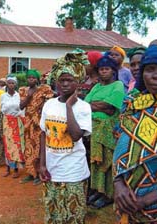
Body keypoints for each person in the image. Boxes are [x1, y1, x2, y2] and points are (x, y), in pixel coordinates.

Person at [39, 51, 92, 224]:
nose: (66, 84)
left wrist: (69, 107)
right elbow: (43, 134)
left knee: (73, 216)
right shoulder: (49, 105)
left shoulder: (83, 107)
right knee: (53, 214)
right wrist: (41, 164)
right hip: (53, 170)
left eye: (70, 80)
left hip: (74, 171)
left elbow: (76, 136)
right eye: (62, 80)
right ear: (56, 82)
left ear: (78, 82)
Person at [113, 45, 157, 223]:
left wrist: (144, 201)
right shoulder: (131, 104)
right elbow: (118, 145)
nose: (155, 76)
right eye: (150, 69)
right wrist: (118, 184)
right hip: (126, 197)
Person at [85, 55, 125, 208]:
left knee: (107, 162)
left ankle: (108, 194)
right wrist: (99, 105)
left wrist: (93, 105)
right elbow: (85, 103)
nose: (103, 72)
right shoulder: (97, 87)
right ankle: (97, 190)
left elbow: (110, 109)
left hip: (108, 130)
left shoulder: (118, 85)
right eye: (101, 69)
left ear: (113, 71)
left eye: (106, 69)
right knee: (96, 161)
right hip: (94, 130)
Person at [19, 69, 54, 185]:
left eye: (33, 78)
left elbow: (50, 102)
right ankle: (30, 173)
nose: (31, 80)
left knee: (39, 148)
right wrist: (28, 97)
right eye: (29, 78)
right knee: (29, 147)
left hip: (39, 123)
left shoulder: (44, 89)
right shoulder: (24, 90)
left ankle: (40, 174)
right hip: (28, 123)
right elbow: (21, 106)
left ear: (37, 79)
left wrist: (42, 107)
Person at [0, 76, 25, 178]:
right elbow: (2, 108)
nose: (11, 85)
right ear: (7, 84)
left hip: (17, 121)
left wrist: (17, 115)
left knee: (16, 145)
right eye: (9, 83)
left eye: (13, 83)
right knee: (7, 143)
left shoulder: (19, 96)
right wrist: (9, 114)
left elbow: (22, 109)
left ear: (15, 84)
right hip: (7, 122)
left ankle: (15, 169)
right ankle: (7, 168)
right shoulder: (3, 96)